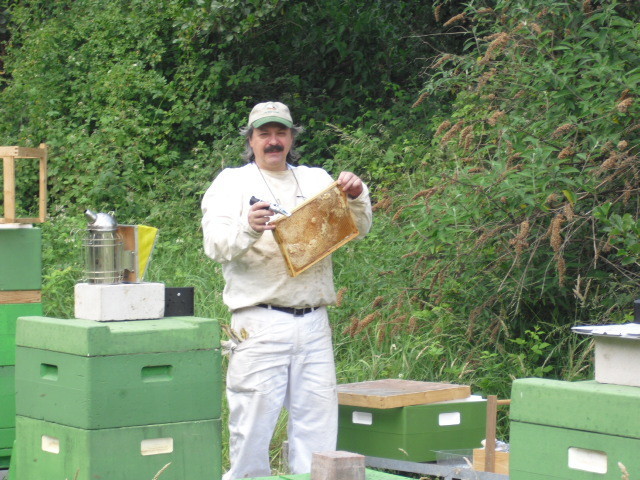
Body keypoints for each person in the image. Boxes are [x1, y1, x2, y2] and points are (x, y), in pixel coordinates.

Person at [201, 101, 372, 480]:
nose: (273, 141)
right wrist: (248, 227)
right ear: (250, 140)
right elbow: (214, 245)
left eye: (281, 133)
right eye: (264, 134)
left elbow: (359, 227)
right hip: (258, 322)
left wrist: (357, 194)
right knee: (252, 429)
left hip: (313, 321)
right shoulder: (231, 183)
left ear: (292, 138)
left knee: (319, 430)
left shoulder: (314, 179)